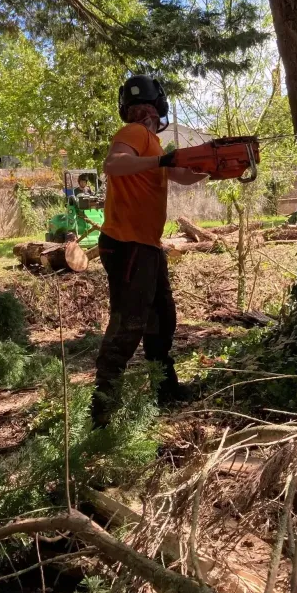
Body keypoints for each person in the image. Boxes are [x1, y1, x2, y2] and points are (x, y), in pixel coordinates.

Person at [91, 75, 205, 427]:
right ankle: (102, 410)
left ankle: (164, 388)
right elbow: (113, 165)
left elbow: (182, 175)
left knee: (161, 320)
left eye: (145, 108)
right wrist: (161, 162)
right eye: (139, 110)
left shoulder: (153, 143)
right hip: (127, 244)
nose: (143, 114)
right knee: (129, 325)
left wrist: (214, 166)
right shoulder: (135, 134)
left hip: (146, 245)